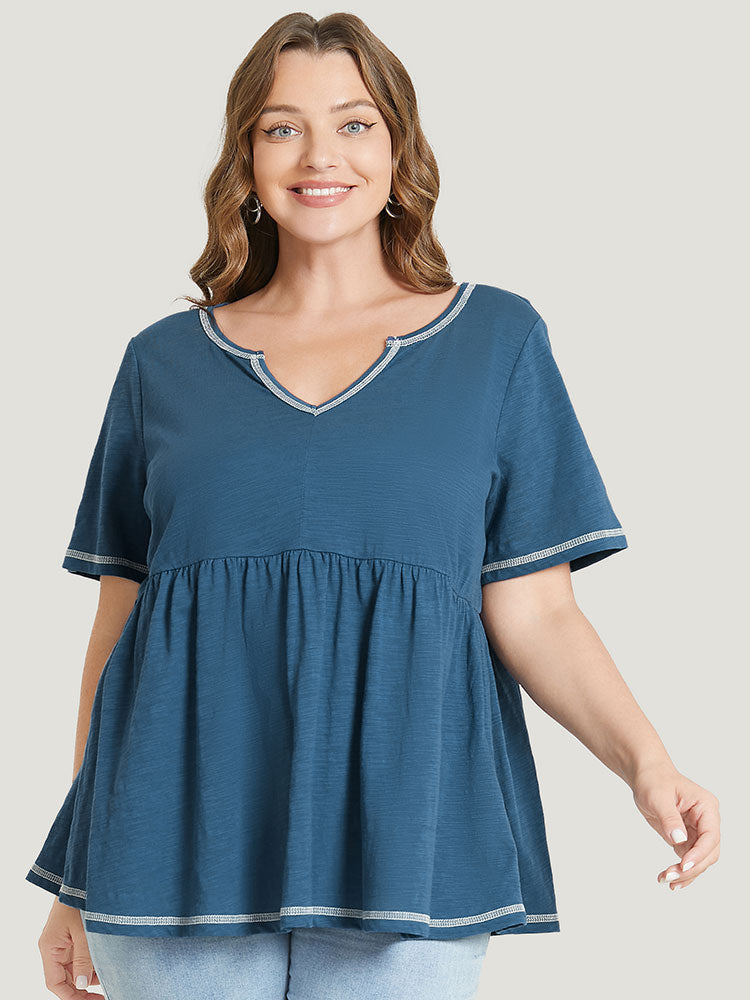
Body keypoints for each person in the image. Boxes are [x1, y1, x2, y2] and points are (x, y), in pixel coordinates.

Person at [27, 11, 720, 1000]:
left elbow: (536, 610)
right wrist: (77, 874)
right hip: (173, 840)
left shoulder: (496, 342)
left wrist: (649, 764)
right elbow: (119, 628)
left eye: (354, 124)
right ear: (246, 159)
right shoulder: (161, 364)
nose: (321, 155)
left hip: (412, 838)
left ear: (399, 152)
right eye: (282, 127)